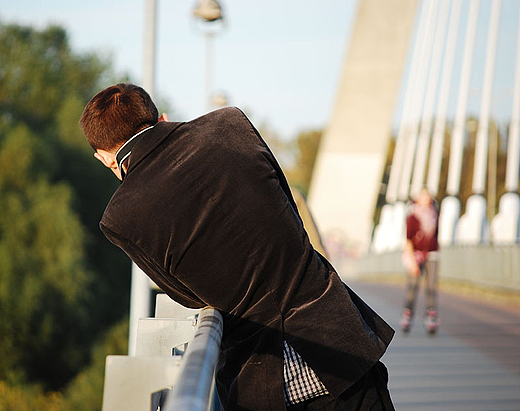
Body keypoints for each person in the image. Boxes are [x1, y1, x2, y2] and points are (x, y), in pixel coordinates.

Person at [80, 83, 395, 410]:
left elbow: (186, 296)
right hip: (340, 347)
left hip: (261, 384)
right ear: (161, 118)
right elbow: (289, 213)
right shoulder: (230, 125)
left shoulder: (119, 218)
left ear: (103, 157)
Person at [400, 188, 440, 335]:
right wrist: (411, 259)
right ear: (418, 199)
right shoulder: (412, 216)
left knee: (431, 286)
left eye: (427, 197)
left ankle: (431, 317)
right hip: (416, 255)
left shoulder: (435, 213)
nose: (426, 199)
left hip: (432, 254)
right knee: (413, 286)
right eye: (423, 197)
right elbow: (408, 239)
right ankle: (407, 315)